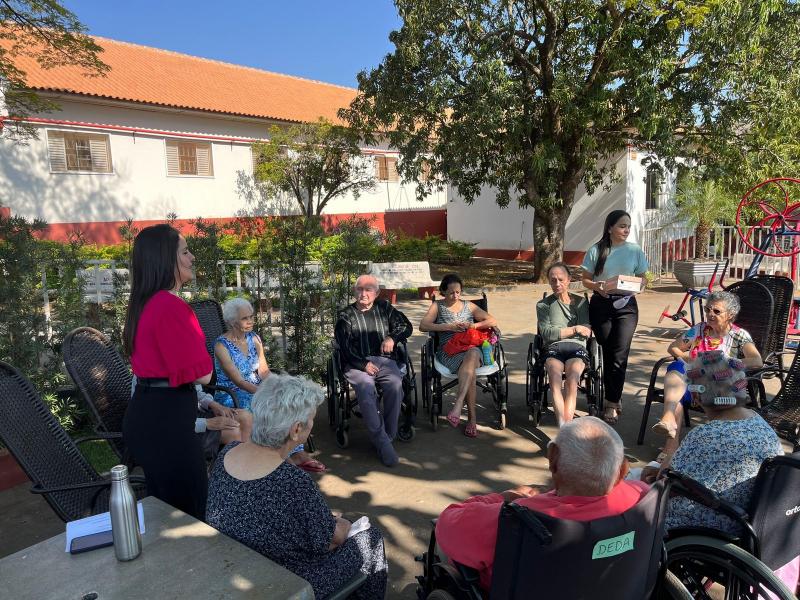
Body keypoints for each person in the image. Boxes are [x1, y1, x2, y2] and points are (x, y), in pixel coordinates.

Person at [207, 374, 388, 599]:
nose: (312, 426)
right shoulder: (291, 481)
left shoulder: (228, 451)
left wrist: (318, 518)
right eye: (311, 420)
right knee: (370, 537)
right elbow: (333, 539)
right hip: (284, 579)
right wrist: (340, 522)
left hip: (238, 560)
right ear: (295, 430)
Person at [436, 417, 648, 592]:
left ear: (552, 458)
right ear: (622, 470)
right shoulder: (643, 498)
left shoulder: (518, 519)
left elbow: (447, 524)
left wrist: (503, 498)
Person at [122, 224, 212, 520]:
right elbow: (203, 375)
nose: (192, 257)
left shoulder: (144, 302)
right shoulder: (170, 306)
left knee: (167, 514)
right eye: (185, 252)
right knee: (190, 515)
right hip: (167, 424)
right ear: (165, 259)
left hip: (150, 417)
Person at [215, 296, 324, 473]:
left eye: (251, 316)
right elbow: (238, 381)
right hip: (232, 392)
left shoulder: (254, 339)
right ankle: (279, 457)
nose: (250, 321)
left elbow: (264, 372)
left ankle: (294, 452)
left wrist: (279, 385)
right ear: (232, 322)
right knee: (268, 405)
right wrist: (266, 393)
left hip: (255, 388)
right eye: (245, 318)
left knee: (287, 402)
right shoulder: (221, 346)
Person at [651, 290, 762, 462]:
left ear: (730, 315)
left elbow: (756, 360)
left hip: (720, 387)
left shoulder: (739, 335)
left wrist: (726, 362)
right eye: (708, 309)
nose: (710, 314)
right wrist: (691, 358)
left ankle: (671, 432)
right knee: (677, 366)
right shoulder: (699, 329)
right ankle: (670, 430)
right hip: (691, 382)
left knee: (680, 385)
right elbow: (673, 348)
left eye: (716, 311)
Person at [334, 274, 413, 466]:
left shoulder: (384, 308)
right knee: (365, 388)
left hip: (385, 361)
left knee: (395, 384)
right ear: (354, 292)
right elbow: (344, 348)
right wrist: (362, 364)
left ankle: (388, 435)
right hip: (357, 363)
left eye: (368, 289)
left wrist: (392, 338)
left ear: (376, 293)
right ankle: (383, 443)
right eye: (360, 289)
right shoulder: (345, 316)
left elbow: (406, 326)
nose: (363, 293)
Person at [581, 210, 648, 425]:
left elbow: (643, 278)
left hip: (626, 306)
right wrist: (597, 286)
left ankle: (611, 403)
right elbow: (585, 279)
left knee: (619, 354)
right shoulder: (596, 250)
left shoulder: (634, 250)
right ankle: (613, 395)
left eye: (628, 226)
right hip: (601, 304)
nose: (626, 230)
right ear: (610, 228)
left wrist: (639, 286)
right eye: (622, 226)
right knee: (608, 350)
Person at [419, 273, 498, 438]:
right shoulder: (438, 306)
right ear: (443, 292)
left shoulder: (469, 306)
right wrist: (449, 327)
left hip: (472, 349)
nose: (455, 296)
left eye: (458, 292)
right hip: (449, 352)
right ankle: (471, 419)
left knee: (473, 352)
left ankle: (459, 403)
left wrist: (473, 325)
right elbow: (423, 325)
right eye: (451, 293)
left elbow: (492, 321)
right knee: (470, 372)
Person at [536, 263, 592, 426]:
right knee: (554, 377)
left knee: (572, 380)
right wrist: (575, 328)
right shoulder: (543, 305)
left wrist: (561, 331)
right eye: (553, 280)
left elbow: (587, 330)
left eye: (561, 279)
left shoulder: (581, 303)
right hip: (553, 348)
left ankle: (567, 425)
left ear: (569, 280)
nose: (557, 283)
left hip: (577, 347)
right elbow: (546, 333)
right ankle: (563, 424)